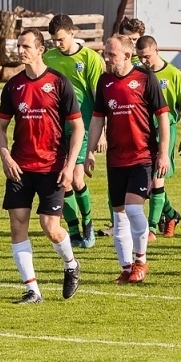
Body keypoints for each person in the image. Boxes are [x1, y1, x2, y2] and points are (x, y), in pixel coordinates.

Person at [0, 29, 85, 303]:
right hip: (20, 168)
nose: (20, 50)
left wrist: (70, 167)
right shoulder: (13, 86)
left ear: (39, 50)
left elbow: (78, 127)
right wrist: (5, 157)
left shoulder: (59, 83)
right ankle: (32, 289)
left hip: (51, 167)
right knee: (17, 225)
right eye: (19, 45)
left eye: (26, 46)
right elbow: (0, 128)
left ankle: (71, 264)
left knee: (51, 226)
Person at [87, 35, 170, 285]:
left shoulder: (146, 79)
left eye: (110, 54)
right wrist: (89, 151)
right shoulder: (104, 81)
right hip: (115, 158)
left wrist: (164, 152)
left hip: (142, 155)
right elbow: (97, 119)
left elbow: (163, 117)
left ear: (126, 55)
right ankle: (126, 269)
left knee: (134, 209)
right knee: (119, 215)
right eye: (105, 53)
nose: (106, 58)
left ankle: (141, 261)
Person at [42, 14, 105, 248]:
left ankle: (88, 223)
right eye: (54, 41)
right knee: (62, 181)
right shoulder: (49, 58)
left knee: (77, 178)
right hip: (56, 129)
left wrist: (102, 132)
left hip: (83, 127)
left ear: (72, 33)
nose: (57, 44)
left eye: (61, 39)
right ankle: (73, 230)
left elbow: (99, 97)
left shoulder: (90, 58)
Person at [135, 34, 181, 238]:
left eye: (147, 56)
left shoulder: (173, 74)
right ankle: (171, 214)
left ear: (157, 51)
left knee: (157, 179)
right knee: (145, 181)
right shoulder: (138, 73)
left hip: (165, 130)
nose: (144, 61)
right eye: (140, 57)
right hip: (143, 131)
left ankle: (150, 228)